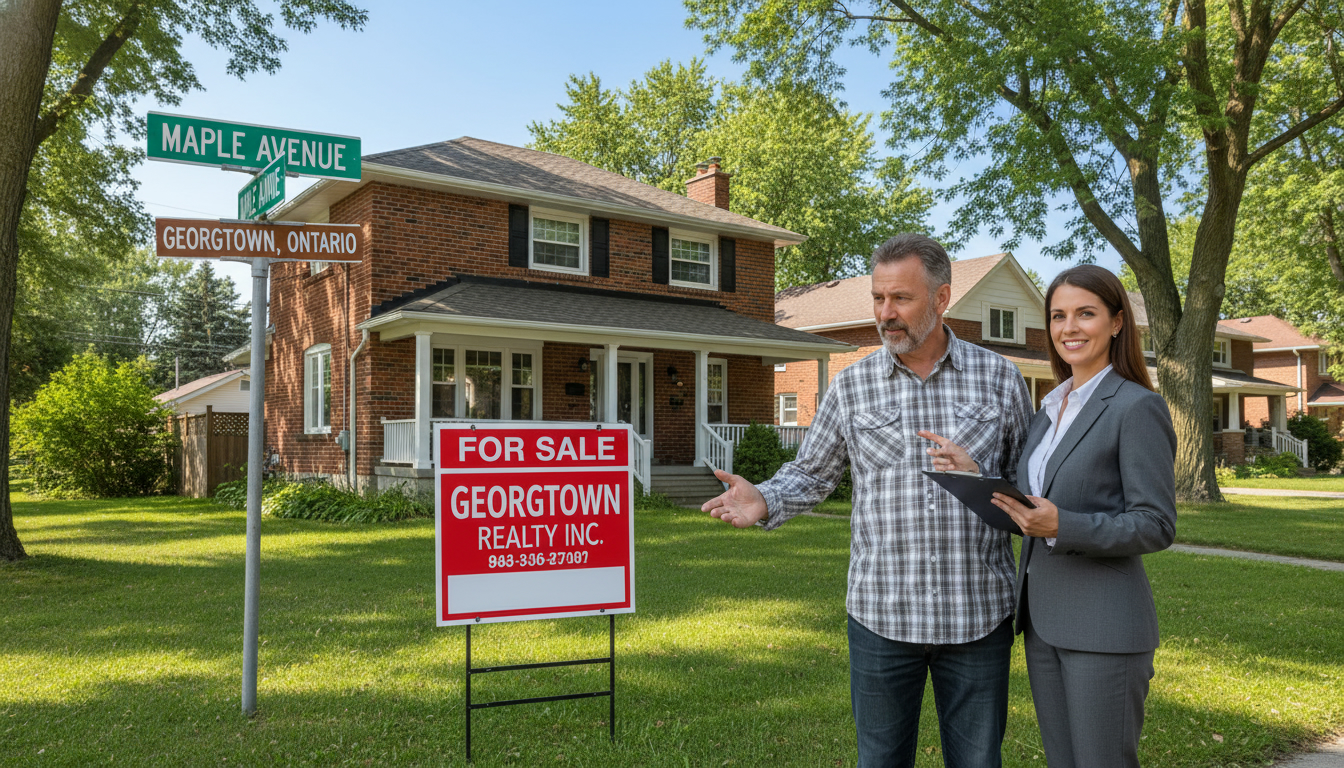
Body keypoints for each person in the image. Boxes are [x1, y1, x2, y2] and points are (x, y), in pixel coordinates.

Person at [703, 233, 1033, 768]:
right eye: (878, 298)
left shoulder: (1000, 379)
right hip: (882, 617)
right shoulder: (851, 386)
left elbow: (1028, 489)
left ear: (942, 298)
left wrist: (981, 476)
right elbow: (811, 473)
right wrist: (764, 498)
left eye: (901, 298)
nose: (885, 313)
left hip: (977, 615)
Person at [988, 264, 1176, 768]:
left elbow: (1156, 524)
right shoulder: (1049, 410)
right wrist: (976, 476)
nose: (1069, 328)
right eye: (1058, 316)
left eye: (1085, 314)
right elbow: (1041, 497)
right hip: (1043, 624)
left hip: (1105, 628)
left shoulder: (1136, 407)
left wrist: (1063, 526)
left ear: (1117, 322)